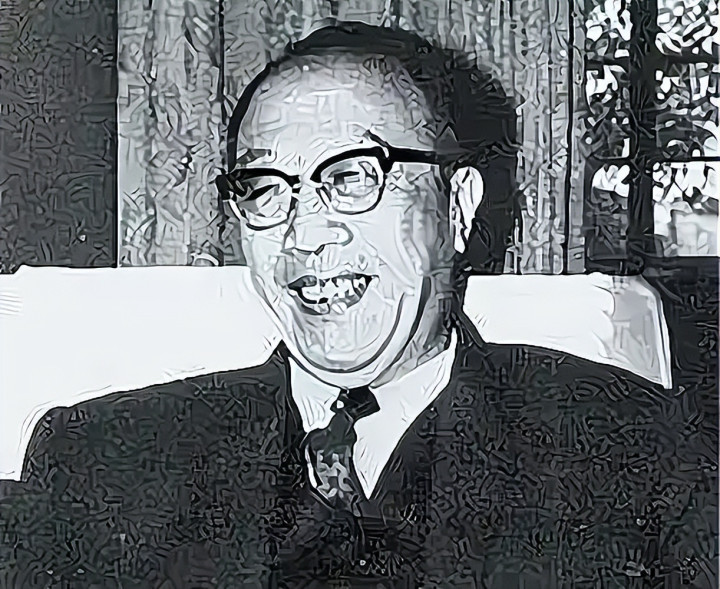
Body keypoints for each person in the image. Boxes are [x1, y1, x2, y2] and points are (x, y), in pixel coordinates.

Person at [0, 22, 713, 589]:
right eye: (265, 189)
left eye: (351, 177)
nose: (305, 233)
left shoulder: (640, 455)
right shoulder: (99, 461)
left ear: (457, 208)